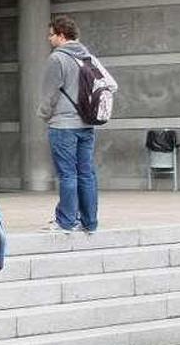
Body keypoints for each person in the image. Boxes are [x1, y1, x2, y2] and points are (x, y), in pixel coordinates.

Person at [39, 15, 115, 235]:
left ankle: (66, 221)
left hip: (63, 125)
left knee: (67, 174)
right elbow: (111, 84)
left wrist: (44, 114)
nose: (49, 38)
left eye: (51, 34)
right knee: (86, 173)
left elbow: (49, 93)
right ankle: (89, 222)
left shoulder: (57, 59)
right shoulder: (87, 56)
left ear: (61, 36)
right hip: (86, 123)